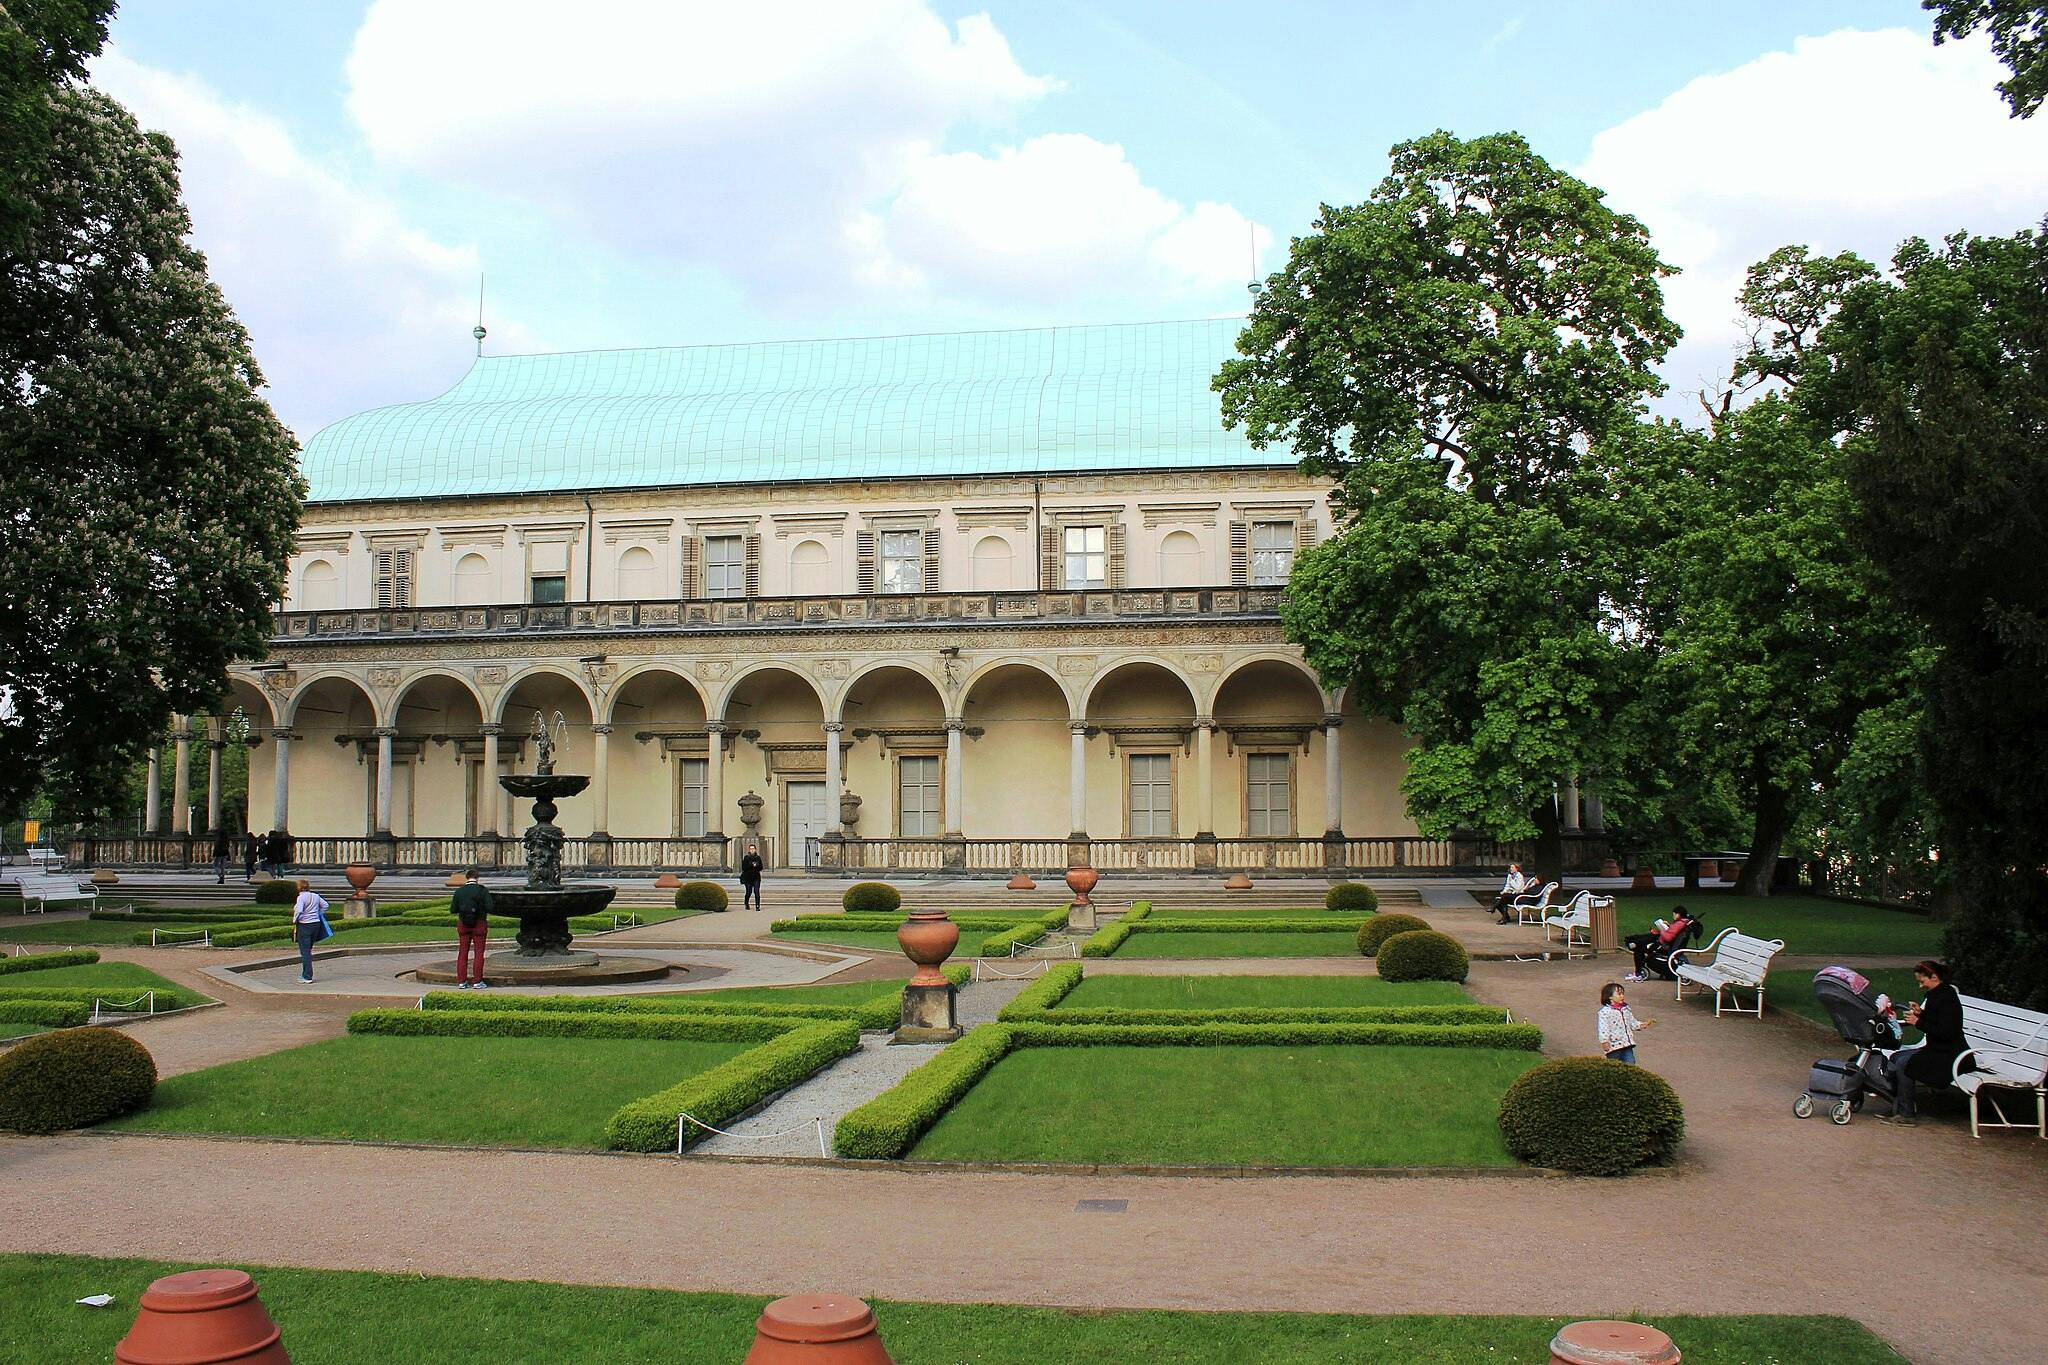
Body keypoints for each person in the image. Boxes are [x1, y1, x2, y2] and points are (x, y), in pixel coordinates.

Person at [1881, 960, 1970, 1127]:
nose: (1921, 986)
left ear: (1934, 977)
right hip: (1937, 1049)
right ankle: (1900, 1105)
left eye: (1923, 981)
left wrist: (1918, 1022)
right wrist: (1921, 1014)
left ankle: (1907, 1113)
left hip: (1949, 1053)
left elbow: (1946, 1032)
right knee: (1896, 1057)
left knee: (1903, 1063)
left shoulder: (1946, 998)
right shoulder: (1938, 994)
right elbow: (1936, 1021)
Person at [1624, 906, 1697, 981]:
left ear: (1678, 915)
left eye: (1674, 914)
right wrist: (1668, 926)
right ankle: (1638, 969)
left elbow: (1668, 937)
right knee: (1641, 944)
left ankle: (1639, 973)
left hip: (1662, 946)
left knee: (1638, 949)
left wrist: (1662, 929)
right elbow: (1673, 932)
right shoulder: (1682, 923)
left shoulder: (1679, 924)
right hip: (1663, 944)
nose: (1673, 916)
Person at [450, 869, 493, 990]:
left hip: (463, 924)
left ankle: (461, 981)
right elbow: (490, 907)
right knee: (479, 953)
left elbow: (453, 909)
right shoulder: (482, 890)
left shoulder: (459, 891)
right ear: (477, 878)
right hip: (479, 923)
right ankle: (477, 981)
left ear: (467, 878)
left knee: (463, 953)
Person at [1597, 980, 1652, 1063]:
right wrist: (1604, 1041)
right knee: (1614, 1065)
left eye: (1623, 994)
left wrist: (1640, 1025)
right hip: (1613, 1046)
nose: (1622, 996)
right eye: (1619, 994)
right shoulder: (1605, 1012)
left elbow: (1631, 1022)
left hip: (1626, 1044)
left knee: (1630, 1063)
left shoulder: (1626, 1009)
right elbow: (1603, 1028)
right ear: (1610, 997)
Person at [290, 878, 329, 984]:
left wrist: (295, 920)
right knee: (308, 949)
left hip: (305, 925)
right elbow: (325, 905)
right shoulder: (315, 896)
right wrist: (318, 913)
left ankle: (307, 976)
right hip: (316, 923)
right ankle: (305, 974)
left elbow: (299, 910)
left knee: (305, 951)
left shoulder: (301, 898)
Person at [739, 842, 765, 911]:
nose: (752, 850)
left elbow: (761, 867)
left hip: (756, 877)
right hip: (748, 878)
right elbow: (744, 867)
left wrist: (757, 866)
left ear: (755, 850)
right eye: (751, 849)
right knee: (749, 892)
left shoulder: (758, 858)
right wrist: (751, 865)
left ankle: (757, 905)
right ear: (749, 850)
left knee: (756, 892)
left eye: (753, 849)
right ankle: (746, 903)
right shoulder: (746, 858)